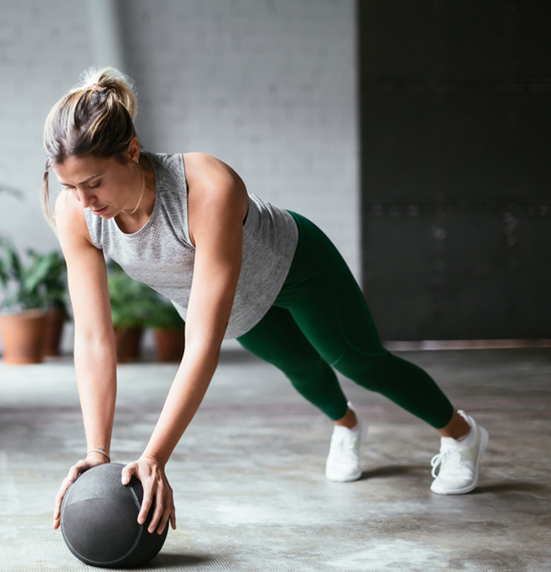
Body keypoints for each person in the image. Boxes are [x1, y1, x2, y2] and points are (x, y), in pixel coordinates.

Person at [43, 68, 489, 537]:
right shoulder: (76, 213)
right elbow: (94, 338)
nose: (82, 200)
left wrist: (154, 456)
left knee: (358, 362)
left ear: (131, 151)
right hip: (239, 306)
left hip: (295, 266)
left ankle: (460, 434)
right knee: (302, 369)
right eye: (69, 186)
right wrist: (97, 452)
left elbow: (200, 345)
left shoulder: (205, 187)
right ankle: (349, 426)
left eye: (92, 183)